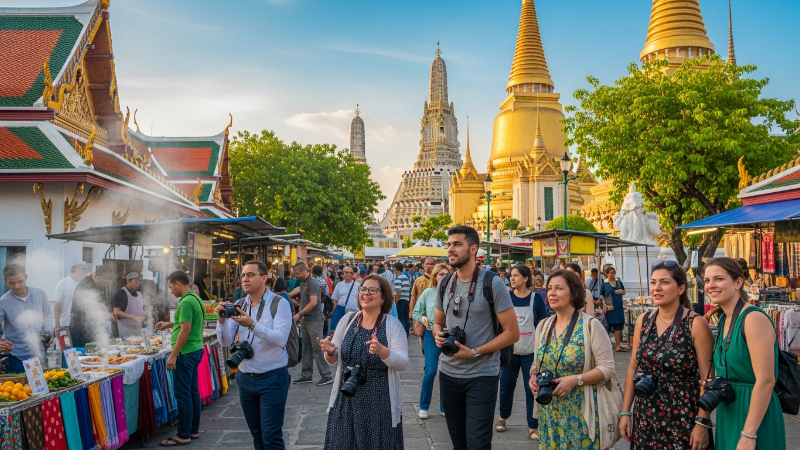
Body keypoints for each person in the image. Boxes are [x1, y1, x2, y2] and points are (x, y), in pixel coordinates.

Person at [433, 225, 519, 449]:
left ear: (473, 249)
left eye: (457, 244)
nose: (450, 249)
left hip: (482, 374)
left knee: (478, 444)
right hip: (448, 373)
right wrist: (437, 335)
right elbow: (438, 322)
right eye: (449, 244)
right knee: (458, 443)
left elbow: (512, 333)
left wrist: (474, 352)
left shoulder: (493, 283)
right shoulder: (444, 283)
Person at [618, 261, 714, 450]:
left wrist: (702, 422)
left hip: (683, 417)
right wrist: (625, 412)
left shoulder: (695, 324)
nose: (657, 288)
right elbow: (633, 367)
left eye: (664, 282)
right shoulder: (644, 321)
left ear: (681, 288)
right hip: (646, 415)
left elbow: (708, 379)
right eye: (653, 282)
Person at [703, 257, 785, 450]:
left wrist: (749, 433)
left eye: (718, 279)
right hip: (729, 413)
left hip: (754, 416)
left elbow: (766, 380)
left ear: (738, 282)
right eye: (707, 280)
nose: (711, 285)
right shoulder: (724, 319)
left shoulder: (753, 318)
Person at [529, 270, 616, 450]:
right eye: (550, 288)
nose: (552, 293)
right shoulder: (543, 326)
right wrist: (533, 377)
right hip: (550, 414)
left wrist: (576, 380)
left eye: (559, 288)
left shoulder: (591, 325)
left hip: (581, 414)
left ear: (573, 294)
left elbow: (608, 368)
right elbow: (536, 364)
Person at [318, 275, 408, 449]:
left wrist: (383, 351)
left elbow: (402, 363)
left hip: (379, 405)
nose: (366, 293)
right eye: (363, 289)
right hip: (347, 399)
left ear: (383, 297)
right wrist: (330, 351)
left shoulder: (393, 325)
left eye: (373, 290)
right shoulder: (348, 320)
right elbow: (333, 359)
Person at [215, 261, 293, 450]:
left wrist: (252, 325)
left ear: (264, 278)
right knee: (257, 436)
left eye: (250, 275)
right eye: (243, 275)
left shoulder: (279, 303)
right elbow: (225, 341)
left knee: (271, 437)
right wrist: (221, 321)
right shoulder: (240, 304)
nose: (245, 279)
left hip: (272, 378)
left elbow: (281, 339)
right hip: (245, 378)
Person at [495, 264, 548, 441]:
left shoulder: (536, 299)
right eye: (511, 275)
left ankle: (533, 425)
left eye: (516, 275)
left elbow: (543, 325)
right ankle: (503, 417)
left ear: (526, 279)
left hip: (530, 352)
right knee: (506, 385)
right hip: (509, 351)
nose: (512, 278)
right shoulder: (507, 298)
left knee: (531, 387)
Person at [154, 271, 205, 447]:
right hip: (195, 350)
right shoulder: (196, 298)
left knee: (183, 395)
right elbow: (187, 323)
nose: (170, 291)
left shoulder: (185, 302)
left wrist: (173, 355)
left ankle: (183, 434)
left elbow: (186, 330)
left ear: (178, 283)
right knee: (192, 392)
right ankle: (193, 430)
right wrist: (169, 324)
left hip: (186, 353)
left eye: (170, 287)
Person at [412, 263, 450, 418]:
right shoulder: (428, 293)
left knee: (447, 372)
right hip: (431, 334)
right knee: (431, 371)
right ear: (435, 276)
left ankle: (445, 406)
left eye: (446, 274)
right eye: (441, 274)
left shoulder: (453, 292)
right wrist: (423, 317)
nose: (444, 277)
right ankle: (424, 406)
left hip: (450, 335)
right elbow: (416, 311)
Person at [0, 264, 53, 373]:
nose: (17, 286)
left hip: (40, 353)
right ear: (5, 280)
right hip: (17, 357)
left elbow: (47, 317)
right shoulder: (3, 302)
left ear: (26, 277)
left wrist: (48, 332)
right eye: (12, 283)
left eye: (20, 281)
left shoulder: (40, 293)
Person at [288, 262, 332, 386]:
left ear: (304, 271)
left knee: (317, 347)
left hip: (313, 319)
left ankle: (326, 375)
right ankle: (306, 375)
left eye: (297, 273)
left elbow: (313, 302)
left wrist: (299, 314)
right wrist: (290, 297)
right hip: (306, 319)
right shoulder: (303, 283)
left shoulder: (312, 283)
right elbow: (301, 295)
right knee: (306, 347)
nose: (296, 275)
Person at [70, 265, 118, 348]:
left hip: (93, 329)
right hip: (80, 330)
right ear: (96, 276)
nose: (104, 285)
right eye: (103, 282)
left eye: (106, 283)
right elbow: (88, 312)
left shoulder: (98, 284)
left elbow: (100, 304)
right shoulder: (85, 286)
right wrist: (106, 314)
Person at [53, 262, 91, 328]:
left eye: (86, 271)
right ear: (75, 270)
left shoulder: (86, 285)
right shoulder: (63, 283)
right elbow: (57, 305)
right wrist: (57, 324)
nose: (85, 273)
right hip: (66, 324)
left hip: (82, 325)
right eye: (83, 271)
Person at [600, 266, 627, 351]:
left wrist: (621, 292)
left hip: (618, 308)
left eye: (614, 273)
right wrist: (603, 305)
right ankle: (608, 346)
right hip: (609, 308)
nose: (613, 275)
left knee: (618, 326)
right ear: (606, 274)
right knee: (607, 326)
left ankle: (618, 346)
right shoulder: (604, 284)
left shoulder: (619, 283)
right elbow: (601, 296)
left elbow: (624, 291)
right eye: (611, 273)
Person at [114, 271, 147, 338]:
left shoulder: (139, 293)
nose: (138, 283)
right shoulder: (121, 293)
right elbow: (116, 312)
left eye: (139, 281)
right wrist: (134, 317)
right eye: (135, 281)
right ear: (128, 280)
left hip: (137, 330)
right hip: (125, 330)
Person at [330, 266, 359, 331]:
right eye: (346, 272)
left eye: (350, 273)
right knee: (341, 330)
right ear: (342, 274)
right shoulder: (339, 285)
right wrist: (338, 309)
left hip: (354, 312)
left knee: (352, 330)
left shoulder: (357, 285)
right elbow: (335, 299)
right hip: (342, 310)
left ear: (352, 274)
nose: (348, 274)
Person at [392, 262, 411, 336]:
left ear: (397, 270)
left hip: (400, 300)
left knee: (400, 318)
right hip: (406, 299)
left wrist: (396, 302)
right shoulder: (405, 276)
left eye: (394, 270)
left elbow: (398, 292)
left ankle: (402, 334)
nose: (394, 271)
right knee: (406, 318)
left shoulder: (398, 277)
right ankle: (406, 334)